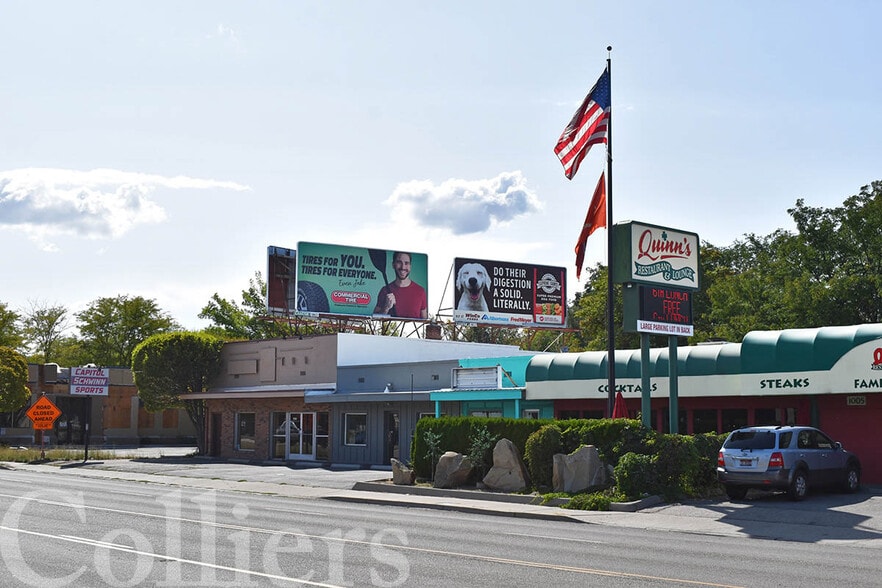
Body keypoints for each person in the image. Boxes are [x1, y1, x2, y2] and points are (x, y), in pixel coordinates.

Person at [373, 251, 428, 319]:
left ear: (410, 266)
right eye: (399, 262)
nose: (403, 267)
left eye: (406, 263)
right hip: (390, 330)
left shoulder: (420, 291)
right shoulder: (384, 291)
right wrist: (386, 308)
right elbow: (375, 319)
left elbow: (424, 321)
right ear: (393, 265)